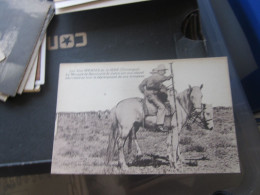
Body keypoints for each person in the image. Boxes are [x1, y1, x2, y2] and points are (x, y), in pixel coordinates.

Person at [139, 64, 173, 132]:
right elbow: (162, 78)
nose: (164, 72)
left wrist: (144, 92)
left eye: (164, 71)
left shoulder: (148, 78)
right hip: (153, 95)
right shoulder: (156, 77)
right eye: (163, 71)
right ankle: (159, 125)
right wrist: (169, 77)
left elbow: (140, 86)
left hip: (152, 94)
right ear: (159, 71)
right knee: (162, 107)